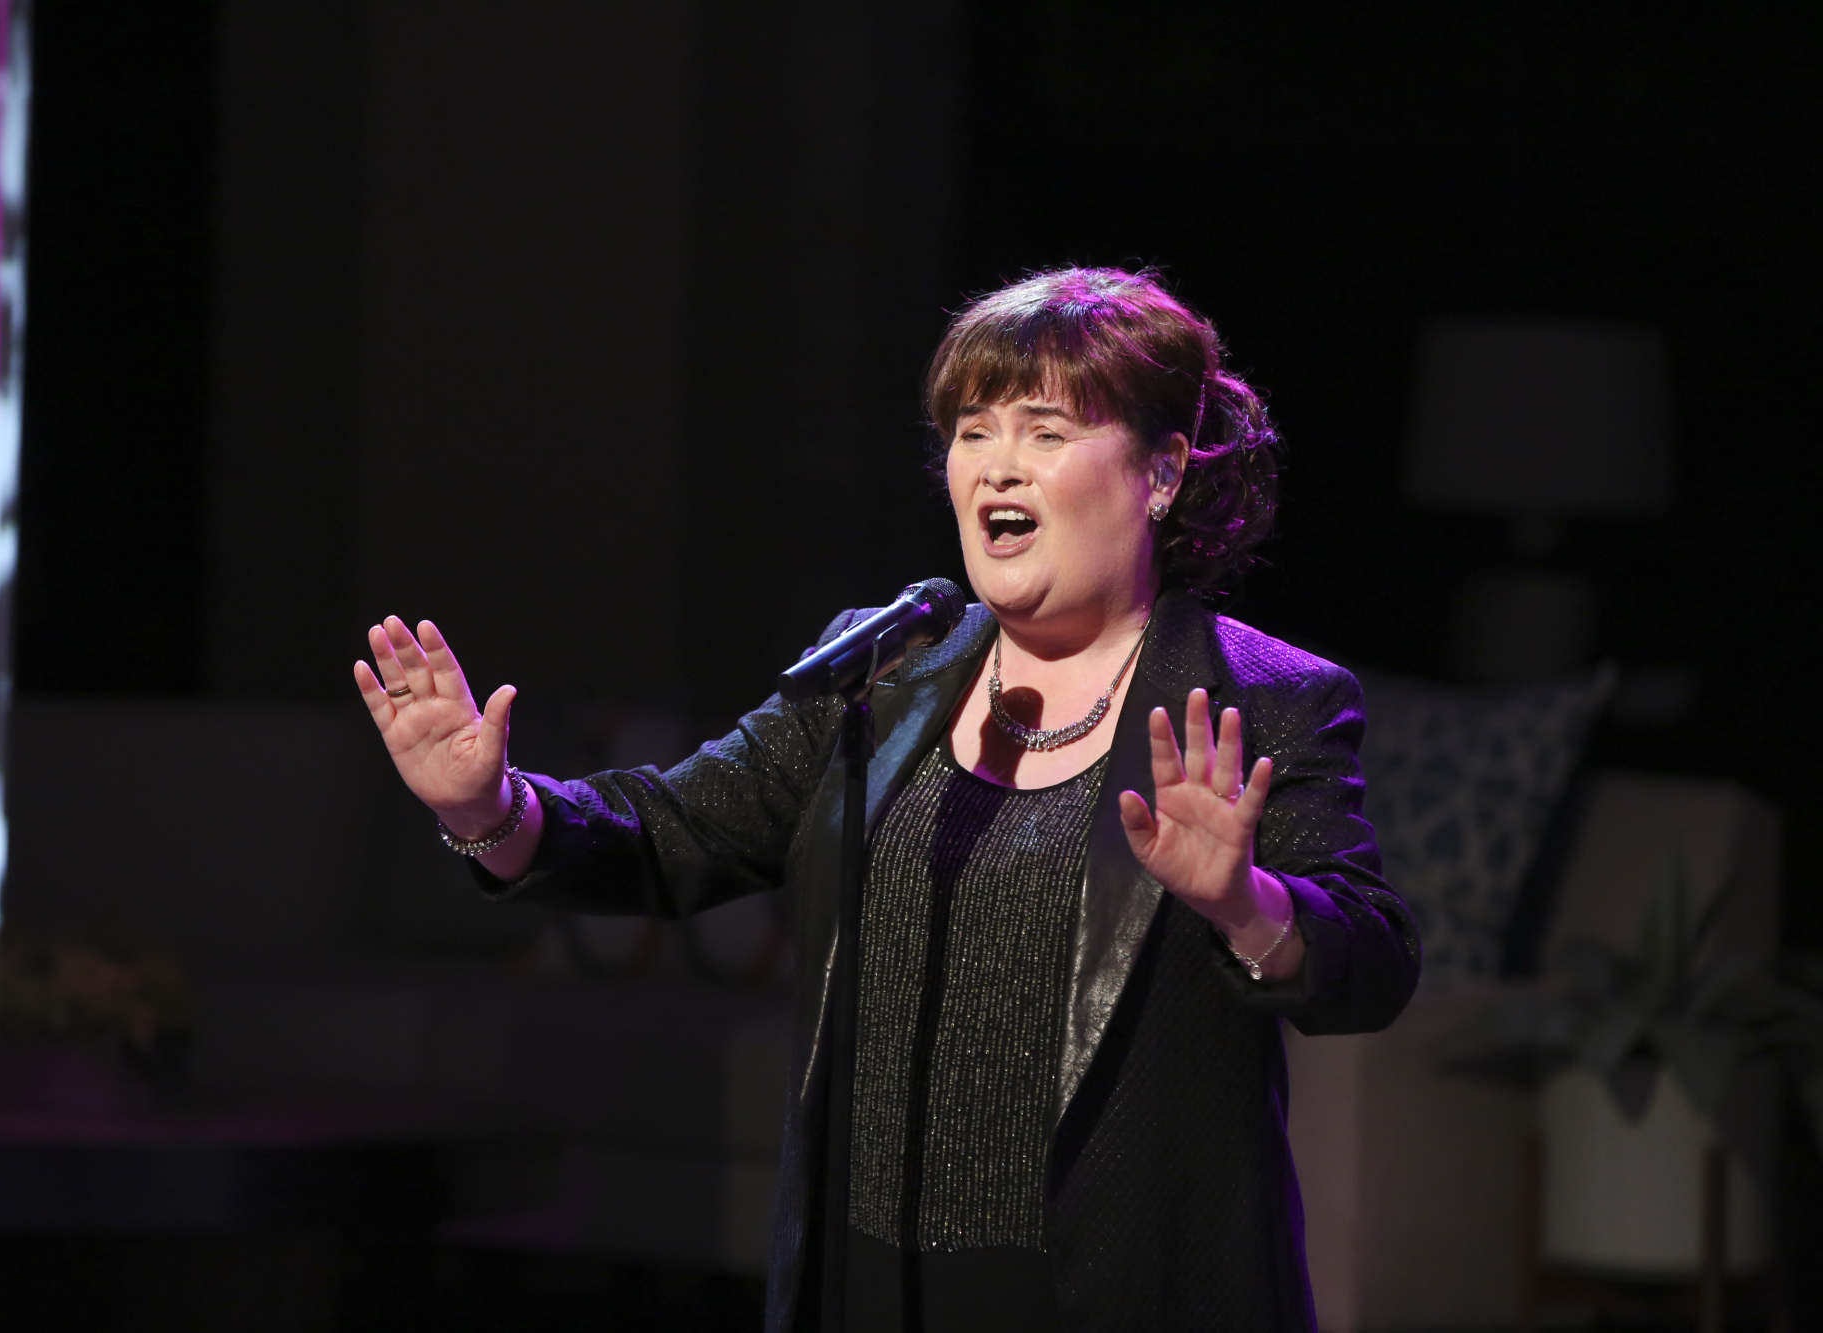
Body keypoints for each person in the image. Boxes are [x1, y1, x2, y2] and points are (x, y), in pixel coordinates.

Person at [354, 267, 1418, 1332]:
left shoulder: (1263, 697)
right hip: (867, 1280)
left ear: (1160, 471)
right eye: (971, 430)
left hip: (1115, 1284)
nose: (997, 464)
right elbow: (669, 832)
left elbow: (1368, 964)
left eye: (1045, 432)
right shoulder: (881, 674)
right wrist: (485, 804)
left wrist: (1244, 903)